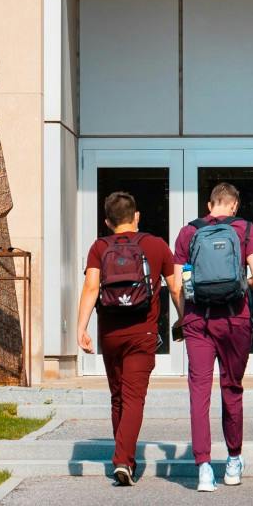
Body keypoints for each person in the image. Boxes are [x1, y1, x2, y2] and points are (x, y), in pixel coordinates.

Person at [76, 190, 182, 486]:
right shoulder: (156, 245)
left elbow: (90, 288)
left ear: (108, 222)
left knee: (118, 396)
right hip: (142, 332)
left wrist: (80, 327)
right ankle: (123, 460)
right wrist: (184, 318)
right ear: (136, 217)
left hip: (110, 333)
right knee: (134, 397)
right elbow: (175, 288)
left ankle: (124, 455)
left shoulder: (99, 247)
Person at [174, 181, 253, 492]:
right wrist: (239, 284)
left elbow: (177, 285)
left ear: (210, 204)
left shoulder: (189, 231)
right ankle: (232, 461)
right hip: (234, 319)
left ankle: (203, 468)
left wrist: (182, 315)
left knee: (199, 392)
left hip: (197, 320)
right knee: (232, 387)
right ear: (234, 206)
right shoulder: (244, 229)